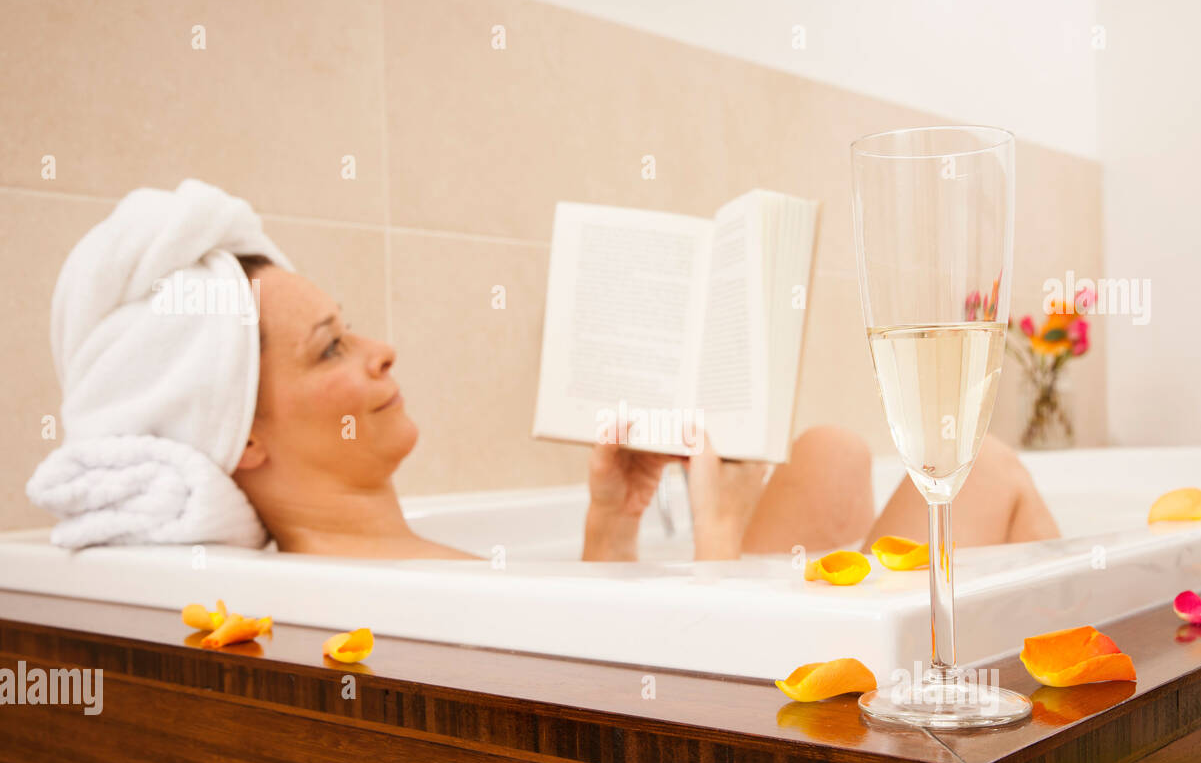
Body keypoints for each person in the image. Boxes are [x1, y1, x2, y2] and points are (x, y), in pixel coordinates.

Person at [231, 256, 1060, 562]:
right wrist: (722, 537)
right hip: (758, 696)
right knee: (981, 467)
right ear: (243, 439)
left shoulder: (388, 561)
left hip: (733, 633)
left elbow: (589, 656)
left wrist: (611, 527)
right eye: (331, 347)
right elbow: (682, 696)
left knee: (831, 451)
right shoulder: (358, 589)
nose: (381, 350)